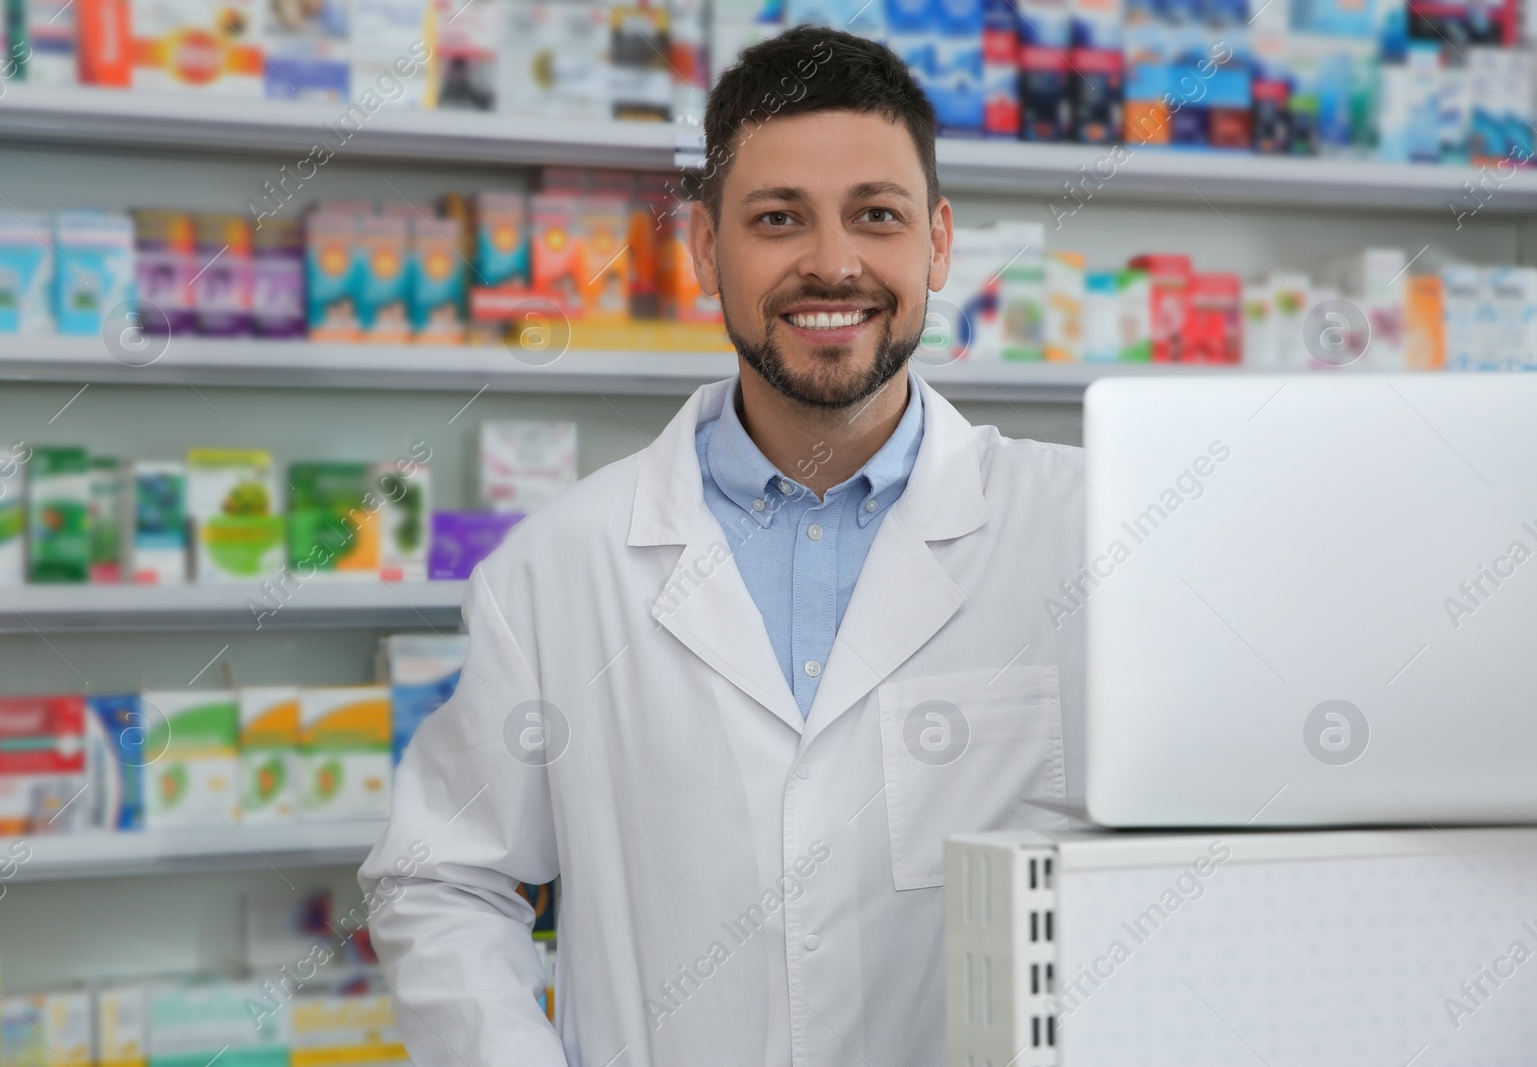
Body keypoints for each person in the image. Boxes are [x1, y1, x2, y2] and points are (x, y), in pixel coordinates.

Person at [360, 25, 1086, 1066]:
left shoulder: (1082, 531)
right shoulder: (558, 569)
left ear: (936, 240)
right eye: (777, 218)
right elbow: (439, 875)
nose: (831, 263)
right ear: (705, 248)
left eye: (874, 216)